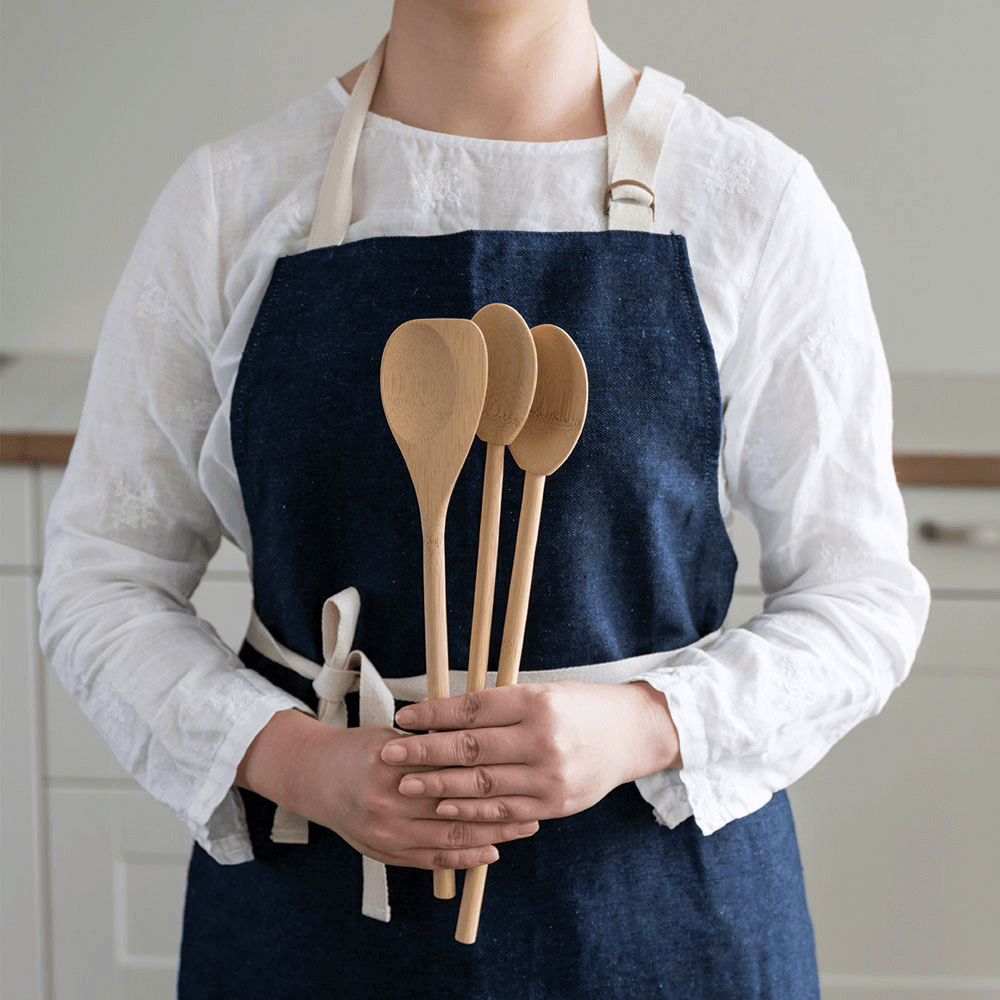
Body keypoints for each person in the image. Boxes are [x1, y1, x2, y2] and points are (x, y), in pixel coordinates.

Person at [38, 1, 930, 997]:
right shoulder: (232, 202)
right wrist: (302, 763)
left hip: (661, 912)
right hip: (317, 910)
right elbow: (98, 579)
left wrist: (641, 724)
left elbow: (862, 597)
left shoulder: (748, 199)